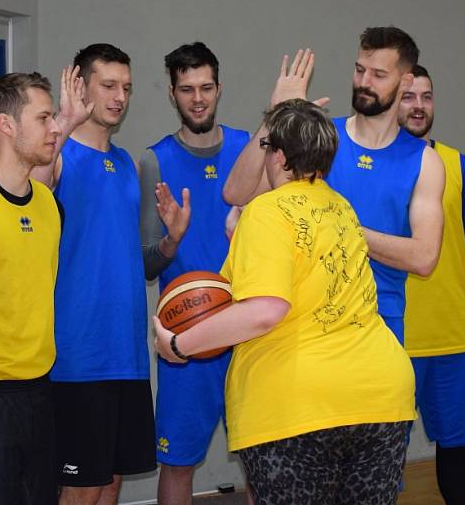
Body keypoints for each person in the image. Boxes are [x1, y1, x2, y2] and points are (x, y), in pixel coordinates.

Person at [155, 99, 416, 504]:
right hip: (383, 398)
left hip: (299, 407)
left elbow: (266, 310)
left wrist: (178, 345)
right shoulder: (343, 209)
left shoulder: (265, 212)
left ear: (276, 155)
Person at [225, 28, 445, 345]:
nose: (364, 82)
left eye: (379, 75)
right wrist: (276, 115)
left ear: (406, 82)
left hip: (379, 323)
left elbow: (424, 257)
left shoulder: (424, 161)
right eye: (359, 70)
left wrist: (342, 228)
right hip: (310, 321)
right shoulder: (322, 138)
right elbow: (237, 193)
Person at [0, 68, 86, 504]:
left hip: (40, 390)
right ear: (6, 126)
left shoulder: (50, 205)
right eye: (44, 118)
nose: (55, 128)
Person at [37, 43, 156, 505]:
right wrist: (62, 123)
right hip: (78, 356)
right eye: (108, 85)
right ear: (81, 86)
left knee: (110, 481)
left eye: (126, 87)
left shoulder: (125, 163)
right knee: (81, 487)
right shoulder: (60, 155)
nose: (119, 96)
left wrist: (169, 241)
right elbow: (33, 187)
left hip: (126, 354)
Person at [138, 42, 249, 504]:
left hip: (248, 332)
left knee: (264, 462)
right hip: (186, 336)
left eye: (206, 87)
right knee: (178, 463)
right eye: (187, 89)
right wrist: (172, 240)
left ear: (219, 88)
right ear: (172, 94)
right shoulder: (155, 160)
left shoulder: (250, 150)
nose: (198, 98)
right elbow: (146, 263)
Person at [399, 65, 465, 505]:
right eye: (409, 96)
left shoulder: (459, 165)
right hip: (390, 337)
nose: (418, 106)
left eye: (426, 97)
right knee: (383, 455)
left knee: (455, 445)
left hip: (449, 336)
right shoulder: (371, 164)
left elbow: (463, 239)